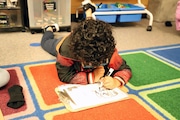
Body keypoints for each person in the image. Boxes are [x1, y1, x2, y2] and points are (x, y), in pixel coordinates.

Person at [40, 1, 132, 90]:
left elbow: (125, 69)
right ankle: (49, 28)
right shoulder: (66, 50)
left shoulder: (108, 50)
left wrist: (116, 81)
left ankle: (89, 11)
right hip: (66, 41)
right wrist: (92, 77)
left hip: (84, 35)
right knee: (45, 43)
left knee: (90, 27)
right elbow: (64, 74)